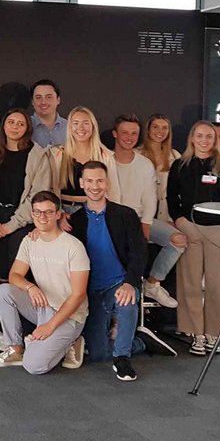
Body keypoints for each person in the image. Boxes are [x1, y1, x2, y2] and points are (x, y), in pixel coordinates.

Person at [0, 192, 89, 374]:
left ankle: (72, 341)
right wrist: (30, 287)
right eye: (38, 212)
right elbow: (15, 275)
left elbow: (78, 294)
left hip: (69, 315)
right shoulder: (30, 241)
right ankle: (16, 349)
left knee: (34, 366)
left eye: (48, 212)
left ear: (58, 214)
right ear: (32, 214)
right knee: (4, 291)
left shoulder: (73, 247)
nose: (42, 217)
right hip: (42, 308)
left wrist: (49, 327)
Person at [0, 108, 51, 345]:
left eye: (21, 123)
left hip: (21, 221)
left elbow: (37, 196)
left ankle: (17, 331)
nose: (15, 127)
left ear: (27, 128)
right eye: (11, 122)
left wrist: (11, 225)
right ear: (4, 126)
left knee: (15, 275)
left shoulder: (38, 154)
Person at [68, 162, 147, 381]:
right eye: (90, 181)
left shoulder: (126, 214)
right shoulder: (75, 221)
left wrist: (130, 282)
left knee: (127, 302)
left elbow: (139, 253)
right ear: (82, 184)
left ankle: (123, 357)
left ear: (107, 183)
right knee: (98, 354)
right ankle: (135, 341)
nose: (95, 186)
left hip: (119, 284)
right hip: (91, 291)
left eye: (100, 180)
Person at [167, 120, 220, 356]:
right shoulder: (180, 165)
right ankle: (195, 333)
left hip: (218, 230)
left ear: (216, 140)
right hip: (190, 228)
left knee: (216, 285)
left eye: (209, 136)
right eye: (199, 136)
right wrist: (179, 220)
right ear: (192, 138)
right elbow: (171, 197)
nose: (204, 140)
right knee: (190, 284)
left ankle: (213, 332)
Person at [112, 114, 182, 308]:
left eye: (133, 133)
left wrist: (146, 224)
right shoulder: (106, 159)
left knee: (178, 241)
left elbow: (150, 198)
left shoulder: (145, 163)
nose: (129, 137)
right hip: (114, 219)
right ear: (115, 134)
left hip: (142, 218)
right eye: (125, 132)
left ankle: (152, 283)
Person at [138, 114, 187, 309]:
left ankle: (152, 283)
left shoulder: (175, 156)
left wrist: (174, 218)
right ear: (148, 130)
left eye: (164, 128)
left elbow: (180, 191)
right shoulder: (138, 154)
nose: (160, 132)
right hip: (141, 217)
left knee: (179, 241)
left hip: (166, 217)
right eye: (155, 127)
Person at [49, 106, 121, 212]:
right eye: (76, 123)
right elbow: (50, 189)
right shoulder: (57, 154)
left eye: (86, 123)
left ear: (93, 126)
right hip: (64, 213)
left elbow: (114, 191)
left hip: (96, 210)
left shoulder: (105, 156)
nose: (81, 128)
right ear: (69, 127)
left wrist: (113, 215)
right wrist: (58, 213)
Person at [30, 79, 67, 148]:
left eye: (49, 97)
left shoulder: (69, 127)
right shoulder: (24, 126)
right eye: (38, 97)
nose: (43, 102)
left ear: (58, 100)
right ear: (32, 102)